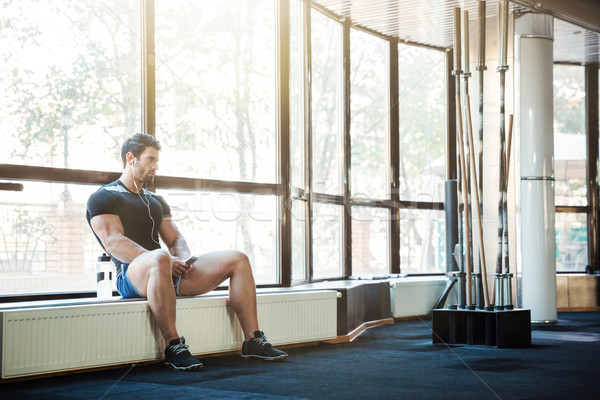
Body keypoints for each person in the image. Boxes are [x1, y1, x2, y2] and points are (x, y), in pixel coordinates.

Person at [86, 133, 287, 371]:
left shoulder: (155, 200)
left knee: (238, 258)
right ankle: (174, 347)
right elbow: (113, 243)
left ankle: (253, 340)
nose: (155, 166)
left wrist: (181, 259)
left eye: (156, 161)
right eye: (150, 159)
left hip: (166, 268)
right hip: (131, 275)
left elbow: (175, 238)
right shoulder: (104, 196)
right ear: (131, 158)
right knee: (160, 256)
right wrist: (163, 260)